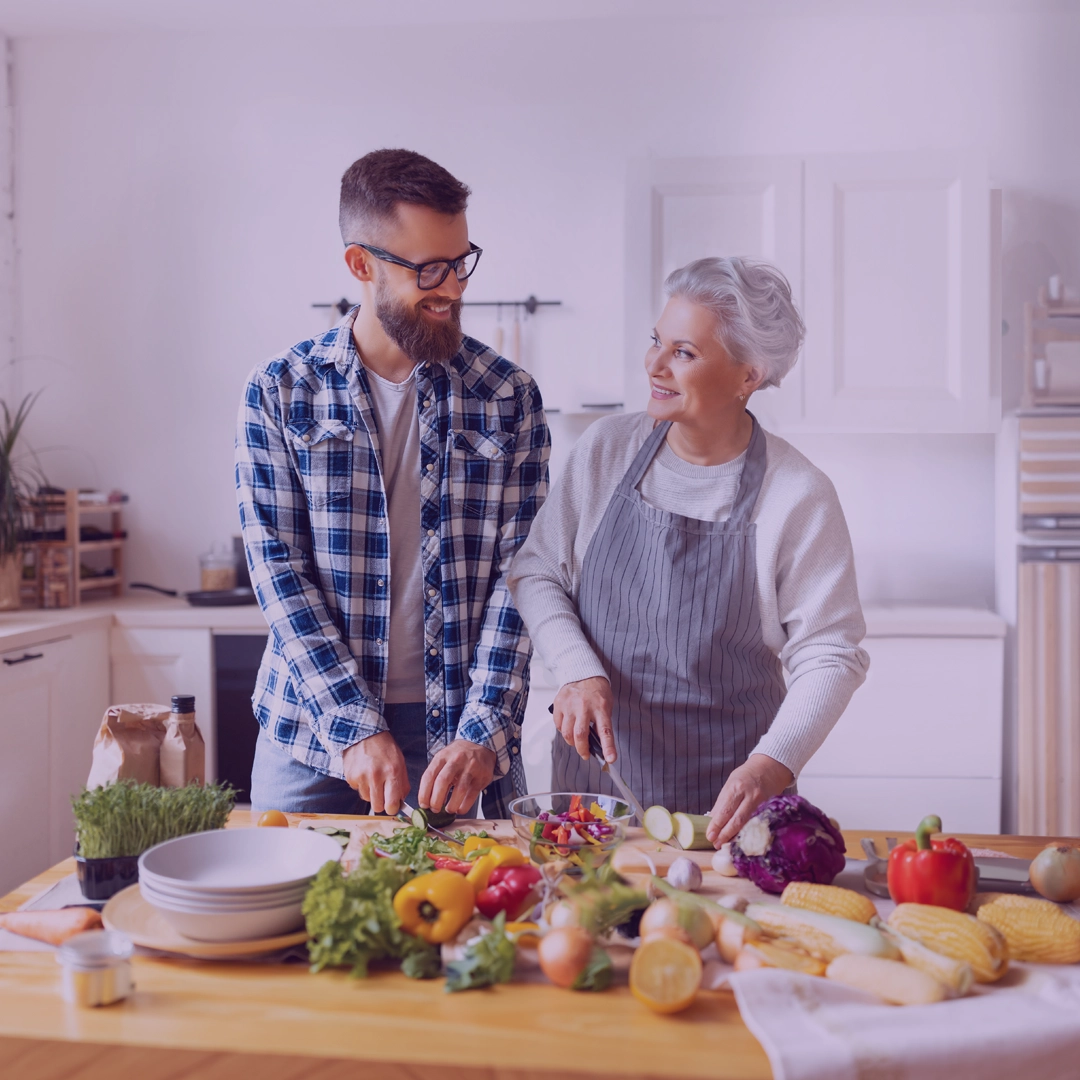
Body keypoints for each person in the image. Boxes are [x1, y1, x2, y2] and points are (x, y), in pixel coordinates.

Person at [508, 256, 868, 847]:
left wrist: (772, 762)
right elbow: (537, 570)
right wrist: (576, 670)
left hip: (726, 802)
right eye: (657, 341)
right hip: (592, 792)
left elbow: (831, 653)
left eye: (684, 352)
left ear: (748, 376)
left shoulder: (797, 494)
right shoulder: (606, 450)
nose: (653, 365)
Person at [237, 149, 549, 819]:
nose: (454, 287)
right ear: (361, 265)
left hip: (462, 743)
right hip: (314, 737)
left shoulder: (508, 396)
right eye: (428, 269)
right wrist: (353, 723)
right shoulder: (279, 392)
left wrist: (484, 731)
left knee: (479, 922)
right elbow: (277, 570)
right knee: (295, 918)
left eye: (460, 261)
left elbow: (523, 574)